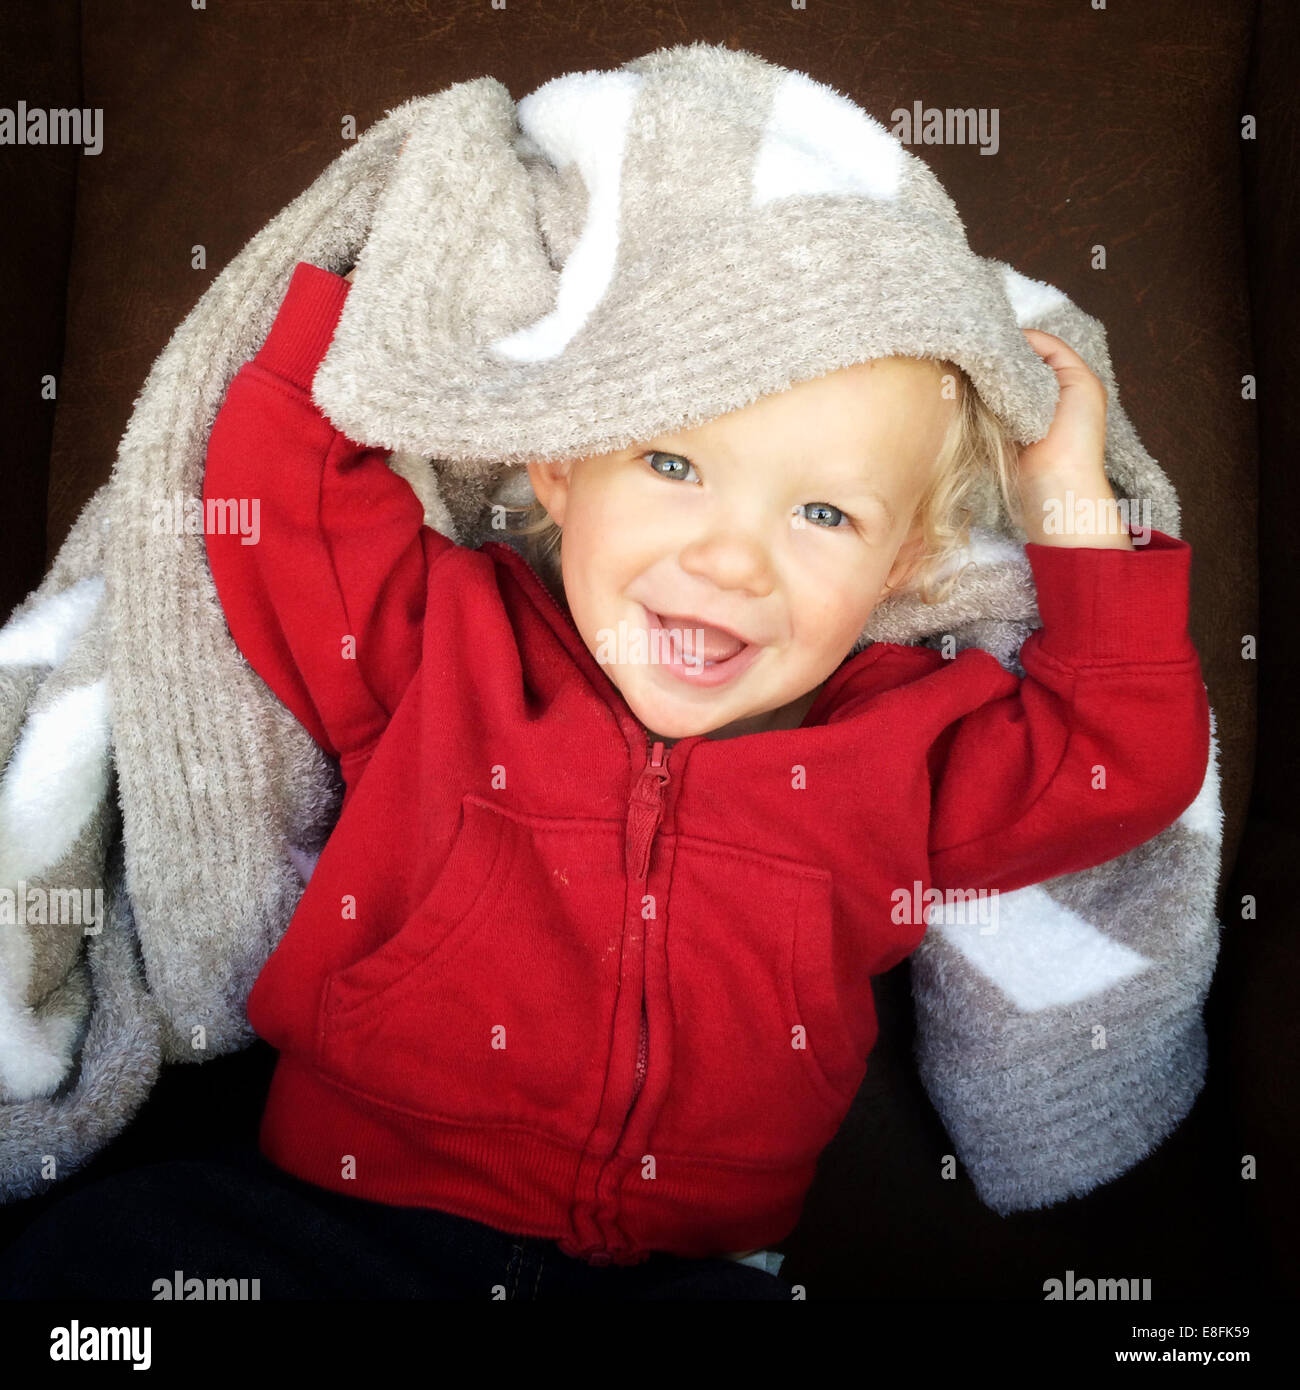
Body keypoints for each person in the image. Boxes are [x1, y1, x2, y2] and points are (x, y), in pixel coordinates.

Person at [0, 45, 1210, 1300]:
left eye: (824, 516)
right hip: (348, 1223)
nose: (731, 557)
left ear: (903, 563)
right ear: (559, 469)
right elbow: (281, 489)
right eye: (673, 467)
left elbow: (1119, 759)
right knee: (88, 1276)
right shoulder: (445, 649)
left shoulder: (905, 753)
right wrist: (418, 236)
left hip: (679, 1280)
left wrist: (1067, 502)